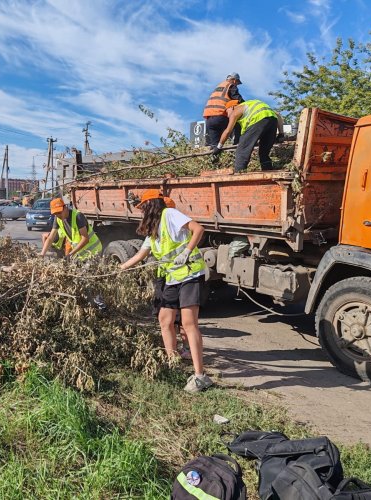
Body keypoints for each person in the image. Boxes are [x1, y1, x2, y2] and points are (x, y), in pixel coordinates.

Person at [120, 189, 213, 393]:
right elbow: (141, 254)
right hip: (172, 278)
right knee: (165, 319)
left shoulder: (169, 214)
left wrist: (187, 251)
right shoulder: (153, 229)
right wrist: (120, 268)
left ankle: (200, 376)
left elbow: (198, 229)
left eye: (143, 207)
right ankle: (172, 362)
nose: (141, 211)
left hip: (190, 273)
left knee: (188, 323)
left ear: (151, 205)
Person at [214, 99, 285, 173]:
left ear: (232, 107)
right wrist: (281, 133)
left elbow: (228, 131)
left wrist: (219, 147)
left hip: (257, 120)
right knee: (264, 153)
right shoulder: (251, 104)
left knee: (242, 150)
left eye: (227, 112)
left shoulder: (236, 110)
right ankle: (268, 172)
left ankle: (239, 174)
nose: (227, 115)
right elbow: (278, 115)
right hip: (273, 120)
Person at [203, 72, 244, 148]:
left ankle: (214, 151)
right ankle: (237, 145)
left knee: (215, 146)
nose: (236, 85)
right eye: (237, 83)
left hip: (209, 119)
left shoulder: (218, 87)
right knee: (238, 122)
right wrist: (247, 105)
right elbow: (238, 99)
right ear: (234, 80)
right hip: (221, 116)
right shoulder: (231, 86)